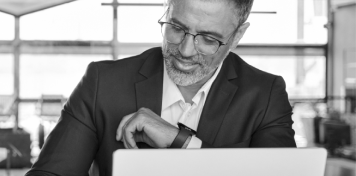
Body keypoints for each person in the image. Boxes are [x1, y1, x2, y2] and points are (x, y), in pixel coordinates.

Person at [25, 0, 296, 175]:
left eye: (208, 39)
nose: (186, 50)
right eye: (177, 28)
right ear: (167, 10)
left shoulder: (265, 94)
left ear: (237, 36)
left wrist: (182, 142)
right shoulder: (103, 82)